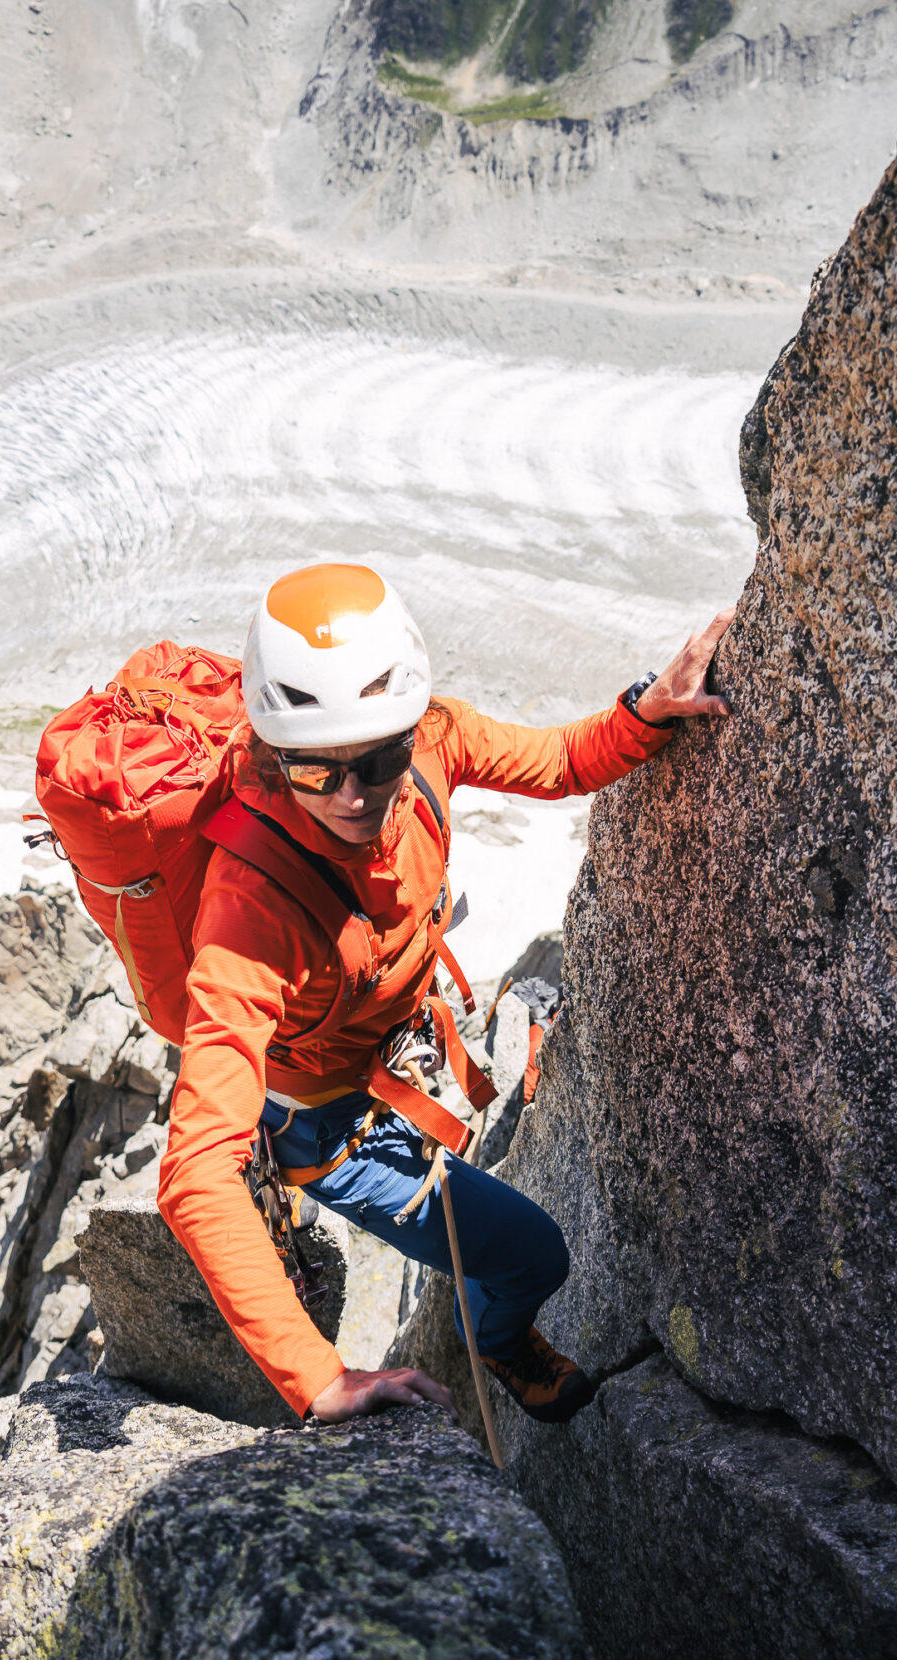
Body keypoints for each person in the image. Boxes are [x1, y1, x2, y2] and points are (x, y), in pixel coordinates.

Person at [154, 562, 729, 1424]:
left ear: (409, 728)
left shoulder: (436, 739)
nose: (353, 796)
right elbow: (197, 1166)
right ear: (276, 755)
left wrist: (643, 712)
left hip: (384, 1047)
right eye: (315, 773)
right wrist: (318, 1377)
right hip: (320, 1123)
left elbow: (562, 761)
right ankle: (498, 1340)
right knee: (533, 1256)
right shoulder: (249, 908)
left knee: (536, 1259)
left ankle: (492, 1338)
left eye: (378, 759)